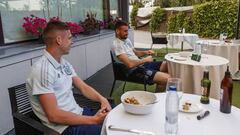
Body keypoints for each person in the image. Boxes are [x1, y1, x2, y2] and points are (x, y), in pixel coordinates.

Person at [26, 21, 112, 135]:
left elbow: (83, 87)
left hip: (79, 115)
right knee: (109, 131)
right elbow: (53, 115)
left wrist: (103, 99)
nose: (72, 42)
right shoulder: (42, 70)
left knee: (115, 115)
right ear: (59, 40)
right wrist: (93, 120)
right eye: (70, 38)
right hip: (64, 128)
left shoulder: (63, 63)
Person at [111, 20, 170, 90]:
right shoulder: (117, 45)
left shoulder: (126, 40)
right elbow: (130, 64)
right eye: (125, 31)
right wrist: (145, 60)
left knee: (168, 65)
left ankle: (160, 90)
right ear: (117, 31)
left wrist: (146, 52)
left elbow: (136, 53)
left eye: (127, 31)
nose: (127, 33)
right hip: (134, 71)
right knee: (169, 79)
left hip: (141, 65)